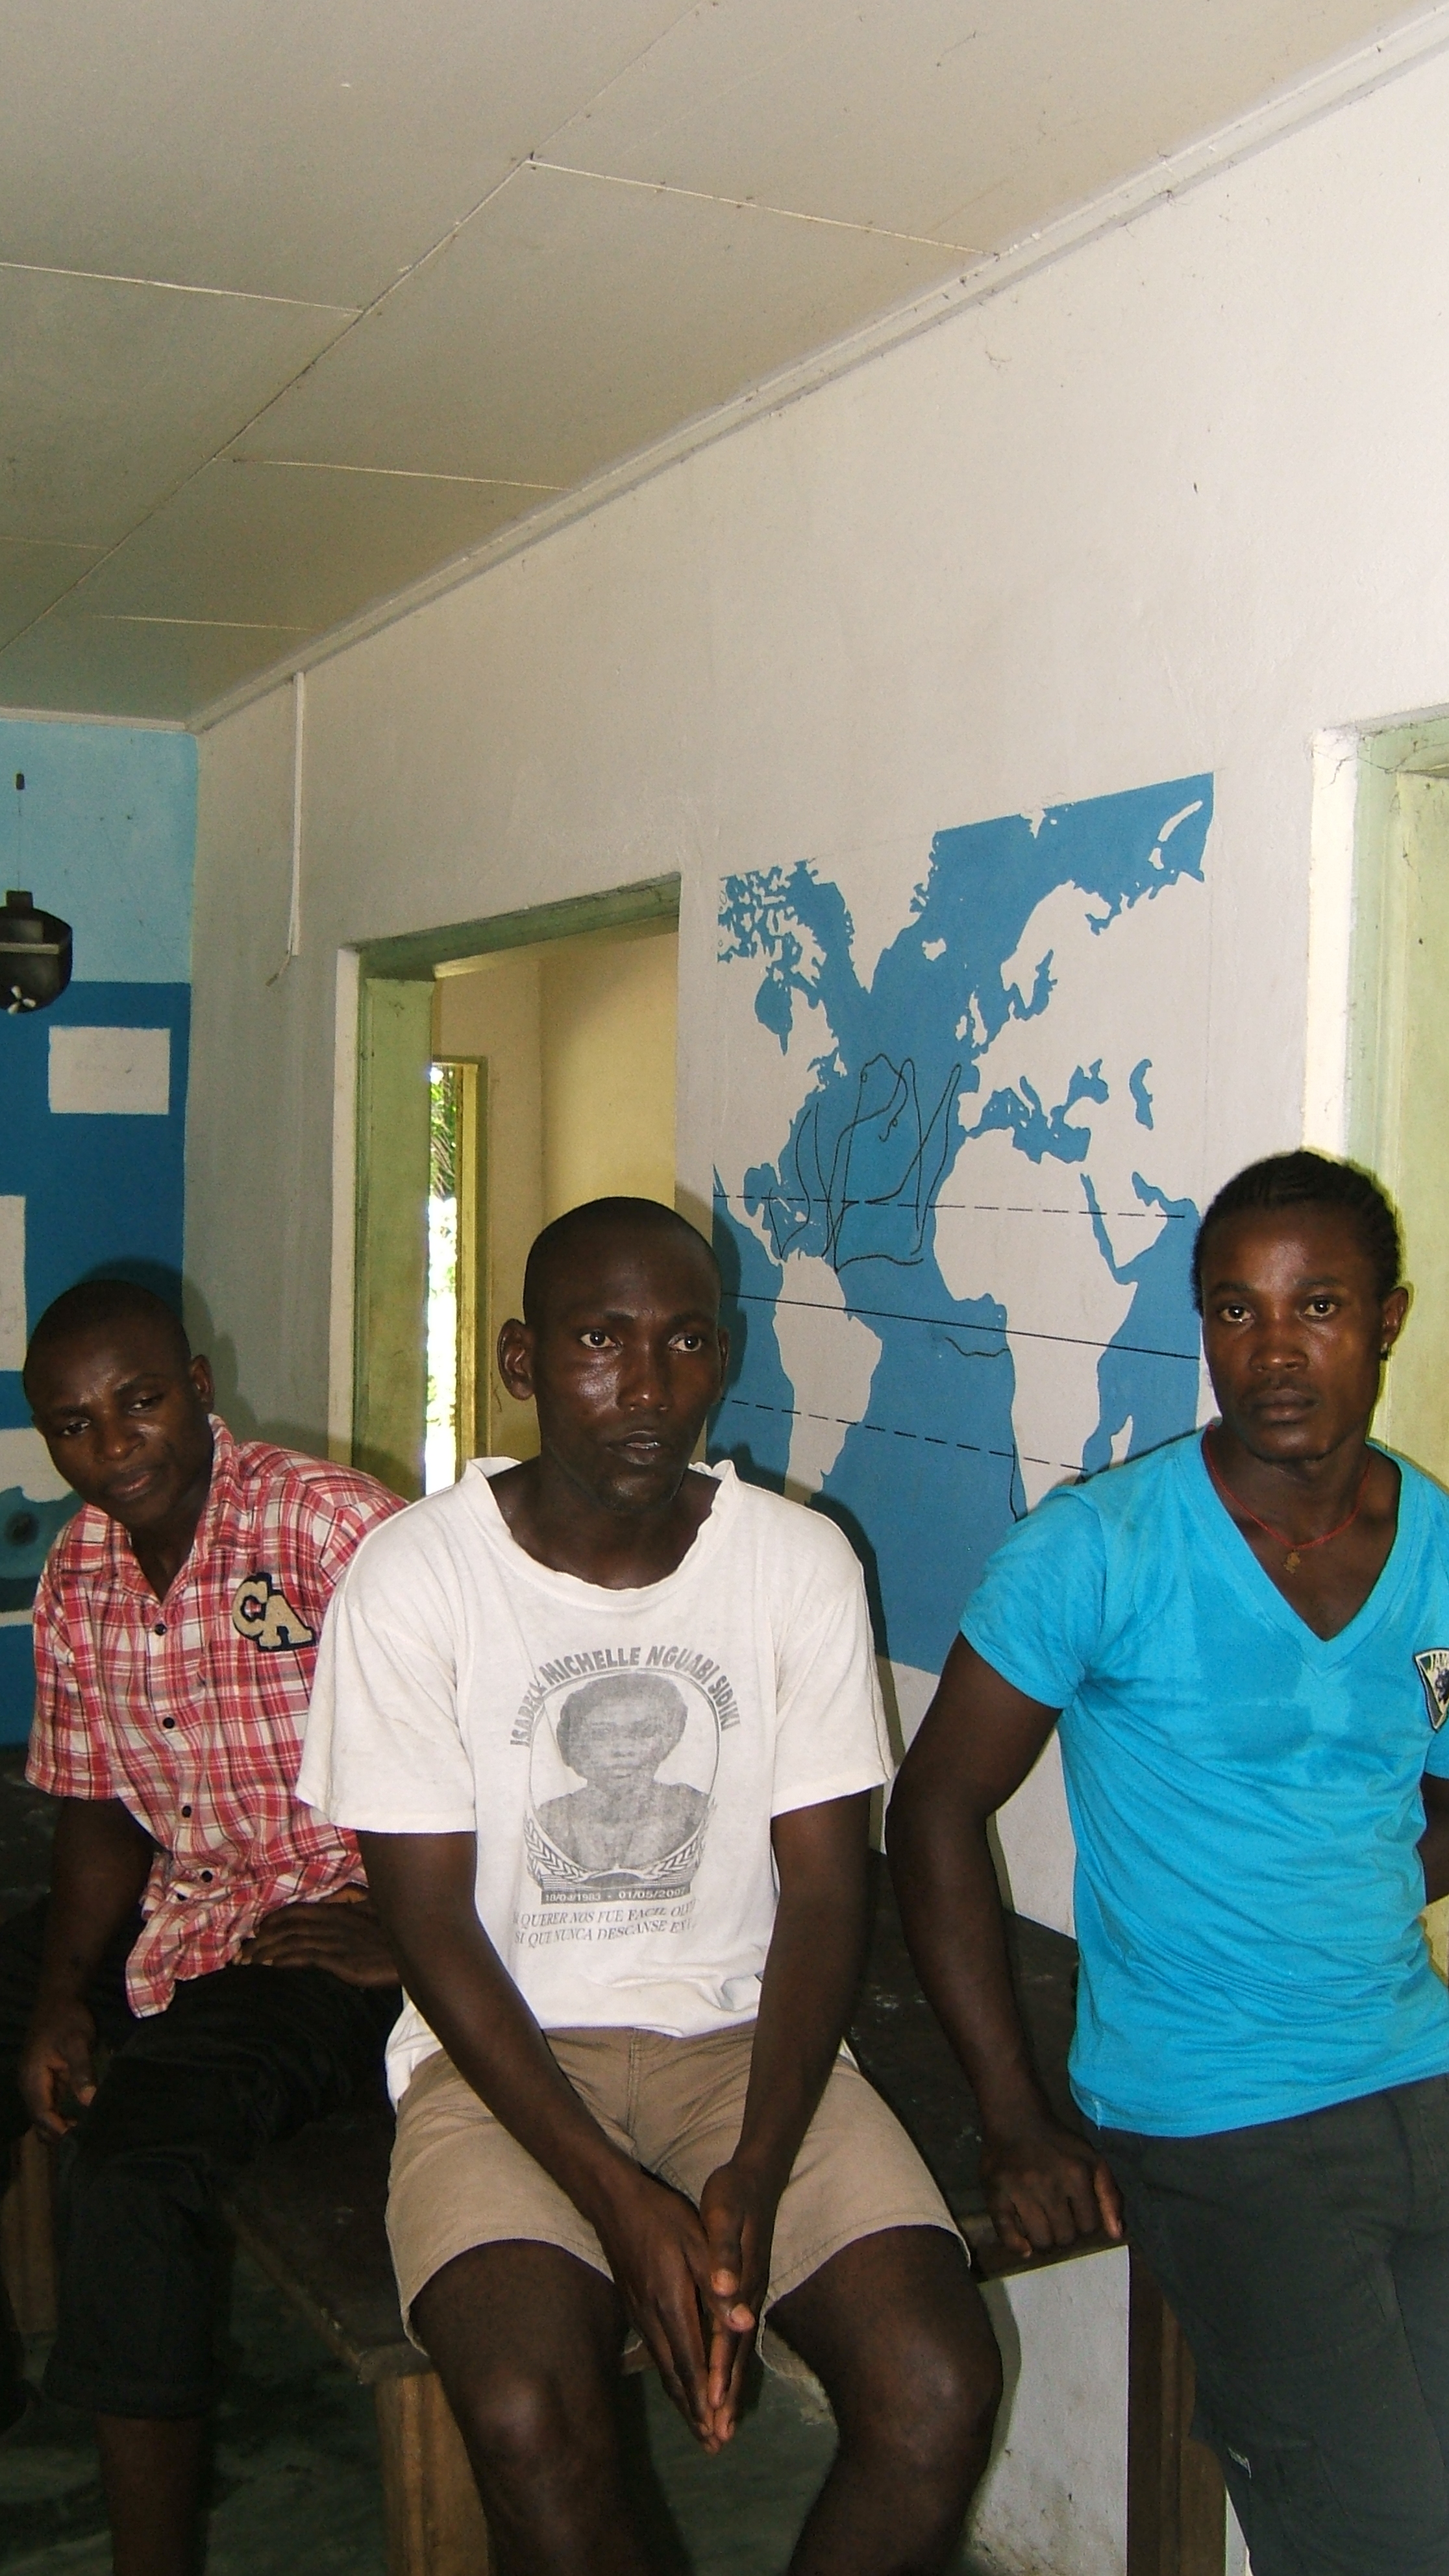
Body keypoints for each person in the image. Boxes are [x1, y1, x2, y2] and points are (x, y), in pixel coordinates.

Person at [300, 1195, 1000, 2576]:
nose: (648, 1386)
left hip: (744, 2048)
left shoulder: (797, 1564)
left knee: (937, 2387)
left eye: (685, 1341)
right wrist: (623, 2203)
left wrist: (758, 2160)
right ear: (521, 1359)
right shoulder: (415, 1579)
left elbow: (821, 1893)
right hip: (499, 2058)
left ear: (724, 1352)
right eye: (599, 1341)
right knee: (522, 2409)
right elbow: (429, 1923)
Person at [889, 1150, 1449, 2576]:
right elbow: (937, 1808)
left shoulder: (1437, 1538)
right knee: (1380, 2532)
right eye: (1234, 1310)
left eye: (1316, 1304)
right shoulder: (1098, 1547)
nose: (1272, 1351)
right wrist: (1015, 2114)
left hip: (1417, 2071)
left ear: (1385, 1320)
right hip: (1215, 2111)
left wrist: (1346, 1872)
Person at [0, 1279, 404, 2576]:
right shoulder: (78, 1570)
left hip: (333, 1929)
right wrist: (66, 1990)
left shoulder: (333, 1525)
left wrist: (398, 1928)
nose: (111, 1446)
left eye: (139, 1401)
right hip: (188, 1903)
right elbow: (103, 1804)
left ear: (201, 1383)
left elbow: (502, 1736)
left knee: (137, 2160)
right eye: (71, 1425)